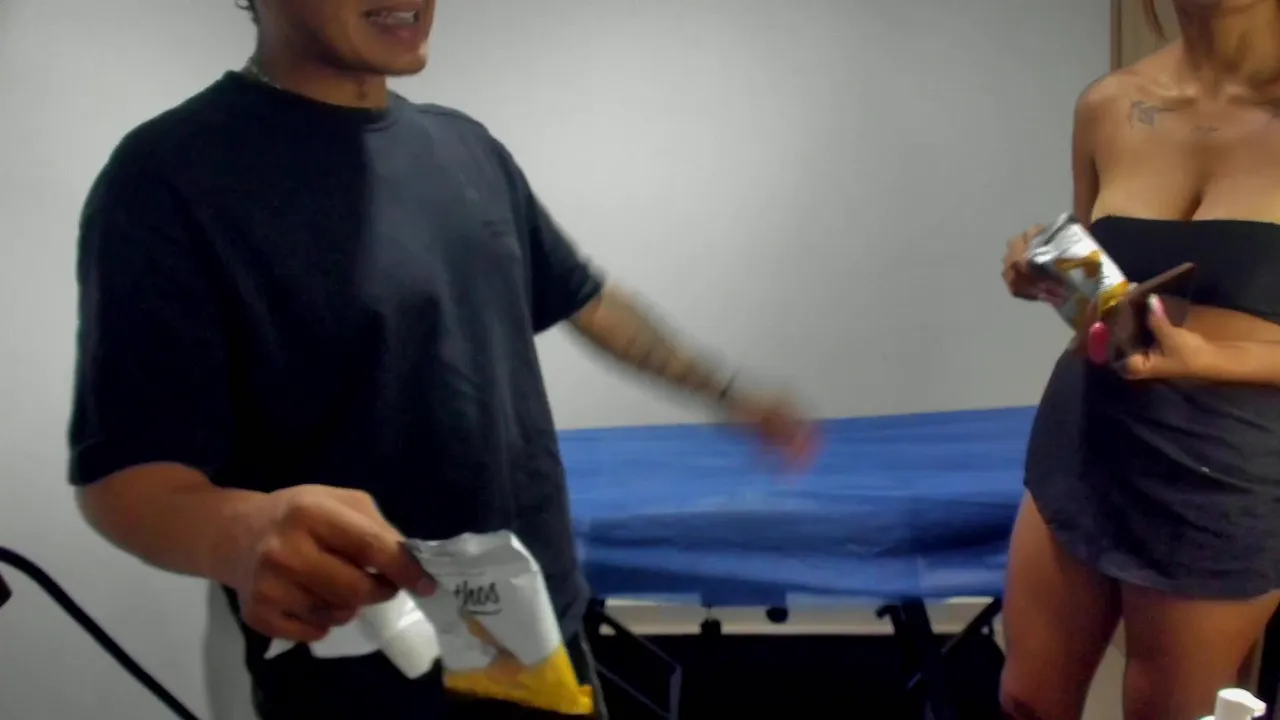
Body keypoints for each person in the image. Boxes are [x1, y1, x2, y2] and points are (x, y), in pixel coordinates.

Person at [68, 1, 815, 718]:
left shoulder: (465, 148)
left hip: (539, 623)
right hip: (365, 663)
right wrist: (238, 535)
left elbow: (584, 297)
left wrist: (727, 391)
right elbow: (125, 480)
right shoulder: (171, 176)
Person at [998, 1, 1280, 718]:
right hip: (1087, 432)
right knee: (1028, 701)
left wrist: (1212, 359)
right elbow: (1105, 295)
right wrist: (1050, 273)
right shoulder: (1109, 104)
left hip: (1225, 466)